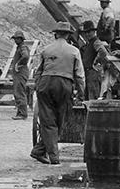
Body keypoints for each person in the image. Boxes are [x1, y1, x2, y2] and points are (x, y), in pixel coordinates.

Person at [32, 24, 82, 164]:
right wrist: (81, 93)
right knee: (60, 120)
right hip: (64, 84)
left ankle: (39, 150)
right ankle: (53, 157)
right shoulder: (74, 51)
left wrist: (38, 86)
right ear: (68, 36)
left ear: (55, 35)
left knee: (48, 121)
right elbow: (79, 75)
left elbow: (38, 71)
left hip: (45, 83)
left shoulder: (46, 50)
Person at [6, 32, 33, 119]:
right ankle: (20, 113)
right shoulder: (20, 47)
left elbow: (25, 56)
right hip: (19, 73)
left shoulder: (23, 47)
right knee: (18, 92)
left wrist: (18, 63)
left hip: (20, 73)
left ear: (21, 39)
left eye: (17, 39)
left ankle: (22, 114)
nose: (15, 40)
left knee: (20, 92)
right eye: (15, 39)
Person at [79, 20, 103, 101]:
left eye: (89, 32)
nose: (87, 34)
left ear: (93, 32)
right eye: (85, 32)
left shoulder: (96, 42)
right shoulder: (89, 43)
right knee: (87, 97)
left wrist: (95, 63)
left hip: (93, 73)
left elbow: (103, 52)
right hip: (88, 73)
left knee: (93, 98)